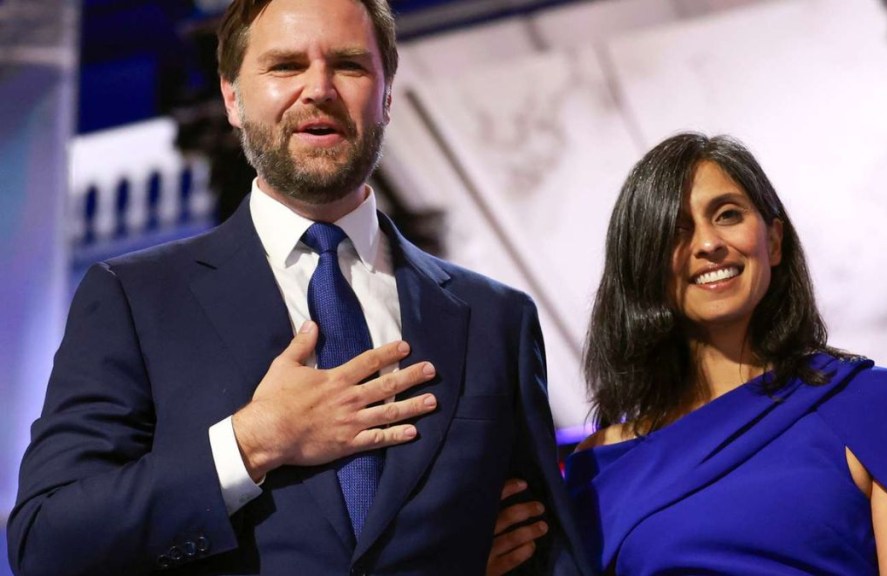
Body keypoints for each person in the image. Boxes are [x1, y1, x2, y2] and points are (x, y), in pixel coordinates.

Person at [6, 0, 588, 574]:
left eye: (349, 65)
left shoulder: (495, 317)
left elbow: (546, 552)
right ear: (232, 97)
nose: (319, 89)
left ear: (386, 94)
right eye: (286, 66)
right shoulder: (135, 299)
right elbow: (48, 542)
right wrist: (253, 441)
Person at [563, 132, 887, 574]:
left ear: (774, 240)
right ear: (643, 264)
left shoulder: (875, 408)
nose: (708, 243)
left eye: (727, 215)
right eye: (675, 229)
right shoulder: (604, 465)